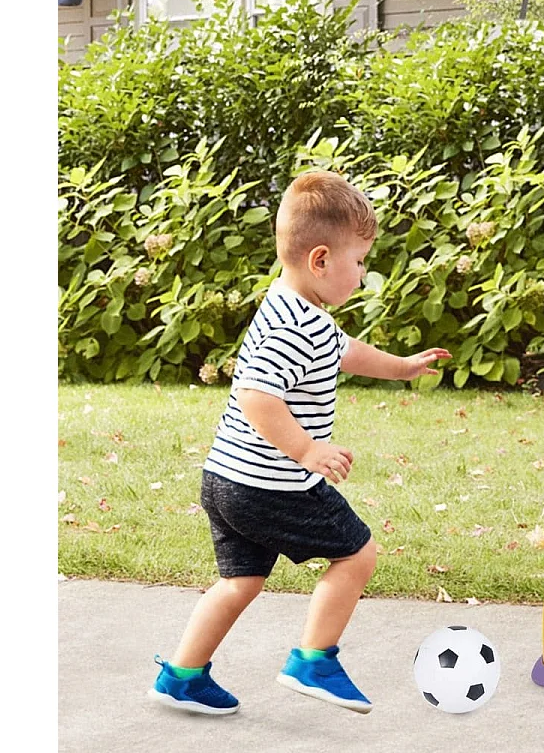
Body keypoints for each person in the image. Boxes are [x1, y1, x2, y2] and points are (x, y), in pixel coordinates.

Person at [148, 170, 450, 716]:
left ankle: (183, 676)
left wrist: (403, 367)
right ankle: (313, 662)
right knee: (357, 553)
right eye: (359, 261)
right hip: (270, 485)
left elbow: (346, 351)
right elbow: (256, 394)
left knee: (240, 582)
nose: (363, 274)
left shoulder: (290, 306)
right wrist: (307, 451)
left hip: (226, 480)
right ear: (321, 260)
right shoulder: (297, 327)